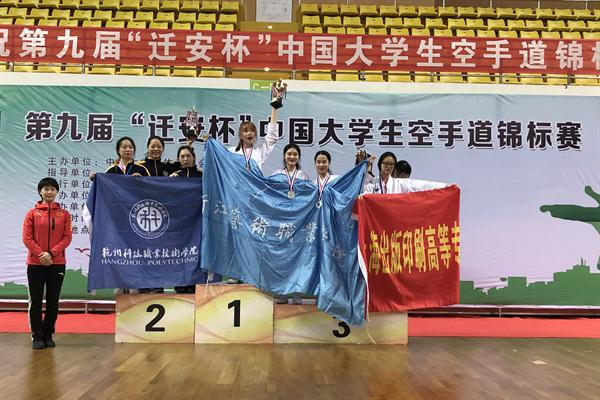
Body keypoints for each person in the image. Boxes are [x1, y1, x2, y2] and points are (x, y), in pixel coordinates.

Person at [22, 178, 72, 349]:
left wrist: (51, 254)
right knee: (35, 301)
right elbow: (27, 238)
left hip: (57, 263)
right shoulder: (32, 213)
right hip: (35, 264)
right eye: (46, 189)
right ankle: (37, 335)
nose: (49, 192)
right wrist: (40, 254)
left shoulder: (64, 214)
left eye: (52, 189)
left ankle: (48, 333)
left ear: (57, 192)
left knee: (53, 300)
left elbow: (67, 237)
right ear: (40, 192)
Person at [363, 152, 446, 194]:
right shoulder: (372, 182)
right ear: (380, 164)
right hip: (376, 220)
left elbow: (421, 185)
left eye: (391, 164)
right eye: (386, 163)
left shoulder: (399, 183)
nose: (388, 166)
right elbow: (364, 197)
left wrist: (444, 187)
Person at [229, 106, 280, 172]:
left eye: (252, 130)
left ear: (255, 135)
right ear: (240, 135)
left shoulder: (260, 151)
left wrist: (274, 108)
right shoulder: (231, 152)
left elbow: (272, 136)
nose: (249, 133)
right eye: (246, 131)